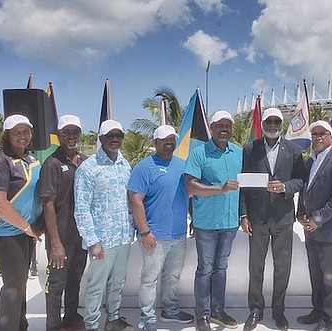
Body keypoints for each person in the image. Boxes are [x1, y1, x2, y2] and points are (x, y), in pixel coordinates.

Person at [239, 108, 306, 331]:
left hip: (283, 218)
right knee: (255, 267)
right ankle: (255, 309)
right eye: (269, 121)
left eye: (277, 121)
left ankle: (279, 311)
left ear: (281, 124)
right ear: (263, 123)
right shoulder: (250, 148)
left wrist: (286, 187)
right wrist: (243, 214)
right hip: (257, 219)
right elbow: (243, 185)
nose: (273, 124)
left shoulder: (294, 150)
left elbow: (301, 180)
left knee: (282, 267)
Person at [128, 125, 194, 331]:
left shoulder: (183, 165)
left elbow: (190, 194)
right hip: (154, 235)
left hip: (178, 233)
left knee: (172, 275)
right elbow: (135, 200)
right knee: (150, 279)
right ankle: (147, 319)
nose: (169, 143)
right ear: (154, 142)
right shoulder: (143, 167)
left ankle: (170, 311)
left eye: (172, 139)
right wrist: (145, 232)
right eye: (164, 139)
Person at [0, 114, 43, 331]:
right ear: (6, 135)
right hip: (6, 232)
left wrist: (35, 225)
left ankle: (20, 325)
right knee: (13, 284)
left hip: (24, 231)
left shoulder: (30, 158)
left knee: (21, 282)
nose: (22, 136)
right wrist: (27, 227)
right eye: (16, 132)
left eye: (26, 131)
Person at [74, 119, 135, 331]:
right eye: (110, 136)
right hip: (102, 240)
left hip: (124, 235)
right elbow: (81, 208)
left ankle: (113, 319)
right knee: (96, 286)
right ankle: (91, 324)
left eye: (119, 135)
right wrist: (92, 241)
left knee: (118, 282)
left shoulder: (125, 164)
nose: (115, 139)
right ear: (101, 139)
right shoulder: (88, 168)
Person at [184, 110, 242, 331]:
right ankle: (203, 314)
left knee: (221, 268)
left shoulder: (238, 152)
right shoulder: (199, 153)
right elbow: (190, 186)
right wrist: (220, 189)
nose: (224, 128)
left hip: (230, 222)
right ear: (212, 127)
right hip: (206, 223)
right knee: (205, 269)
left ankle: (218, 311)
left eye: (227, 125)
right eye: (219, 125)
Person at [295, 120, 332, 331]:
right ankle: (316, 312)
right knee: (315, 276)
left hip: (328, 231)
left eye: (322, 134)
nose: (317, 137)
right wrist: (301, 213)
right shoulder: (310, 162)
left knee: (328, 278)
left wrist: (318, 219)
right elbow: (305, 190)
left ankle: (329, 321)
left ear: (330, 137)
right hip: (310, 230)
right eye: (314, 134)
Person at [39, 115, 88, 331]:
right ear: (59, 135)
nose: (71, 136)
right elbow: (48, 204)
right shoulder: (52, 163)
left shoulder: (85, 161)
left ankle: (70, 317)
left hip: (80, 234)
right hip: (60, 234)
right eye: (66, 132)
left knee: (75, 279)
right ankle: (53, 324)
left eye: (75, 132)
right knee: (56, 283)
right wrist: (55, 243)